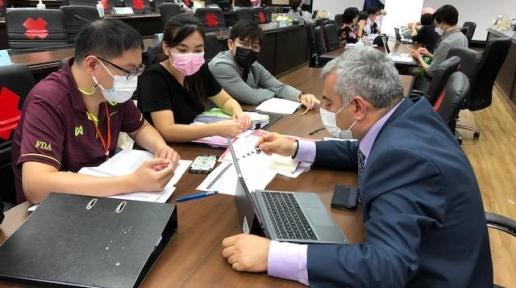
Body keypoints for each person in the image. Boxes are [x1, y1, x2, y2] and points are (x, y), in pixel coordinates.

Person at [221, 47, 493, 287]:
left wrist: (273, 255)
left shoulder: (404, 157)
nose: (325, 107)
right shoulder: (406, 117)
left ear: (358, 108)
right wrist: (296, 147)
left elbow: (385, 268)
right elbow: (366, 150)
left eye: (329, 102)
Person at [11, 19, 180, 204]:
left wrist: (161, 148)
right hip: (57, 208)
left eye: (137, 70)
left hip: (103, 194)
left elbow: (140, 128)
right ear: (92, 65)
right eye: (129, 71)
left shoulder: (108, 90)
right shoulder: (47, 100)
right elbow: (36, 187)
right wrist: (131, 182)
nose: (133, 79)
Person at [137, 14, 251, 143]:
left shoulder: (199, 68)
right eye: (182, 50)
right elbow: (167, 130)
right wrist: (215, 129)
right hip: (163, 149)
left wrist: (238, 112)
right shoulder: (154, 77)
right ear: (166, 48)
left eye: (197, 50)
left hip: (192, 142)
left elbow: (225, 101)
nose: (191, 56)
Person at [209, 20, 319, 107]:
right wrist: (274, 92)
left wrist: (301, 96)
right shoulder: (220, 66)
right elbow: (252, 97)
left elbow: (278, 87)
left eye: (255, 46)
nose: (249, 49)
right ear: (230, 44)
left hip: (244, 114)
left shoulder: (253, 65)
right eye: (244, 44)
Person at [410, 4, 467, 77]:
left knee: (407, 70)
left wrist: (419, 57)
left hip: (438, 82)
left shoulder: (447, 43)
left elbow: (431, 72)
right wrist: (429, 54)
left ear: (443, 23)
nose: (436, 28)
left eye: (436, 25)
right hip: (452, 78)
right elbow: (447, 61)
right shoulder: (463, 37)